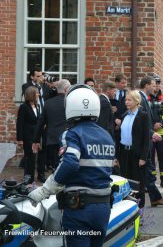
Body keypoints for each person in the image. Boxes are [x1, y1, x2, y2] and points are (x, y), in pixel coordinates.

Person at [28, 85, 115, 246]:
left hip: (80, 209)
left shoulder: (72, 133)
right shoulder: (106, 136)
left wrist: (44, 191)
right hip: (103, 207)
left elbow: (69, 164)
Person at [138, 77, 163, 206]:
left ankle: (154, 197)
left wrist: (162, 124)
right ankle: (152, 199)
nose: (155, 87)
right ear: (146, 85)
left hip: (156, 134)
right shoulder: (142, 98)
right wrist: (152, 132)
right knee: (148, 169)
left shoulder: (162, 97)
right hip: (146, 138)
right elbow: (142, 120)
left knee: (149, 168)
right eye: (153, 85)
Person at [117, 90, 150, 209]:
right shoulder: (124, 115)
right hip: (124, 153)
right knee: (126, 181)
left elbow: (147, 138)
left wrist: (143, 157)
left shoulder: (143, 115)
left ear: (137, 101)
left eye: (129, 100)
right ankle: (128, 208)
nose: (127, 102)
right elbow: (119, 135)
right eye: (126, 100)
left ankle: (139, 211)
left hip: (136, 154)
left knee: (138, 184)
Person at [33, 79, 71, 174]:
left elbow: (40, 123)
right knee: (66, 167)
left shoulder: (48, 103)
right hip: (68, 139)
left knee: (55, 167)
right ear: (66, 89)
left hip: (52, 139)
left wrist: (36, 140)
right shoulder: (70, 102)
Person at [148, 76, 163, 190]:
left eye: (158, 83)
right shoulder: (146, 97)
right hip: (150, 133)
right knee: (150, 157)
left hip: (162, 133)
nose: (157, 86)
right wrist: (151, 126)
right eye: (155, 83)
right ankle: (151, 181)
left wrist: (161, 123)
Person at [17, 86, 41, 184]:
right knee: (29, 157)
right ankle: (27, 178)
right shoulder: (24, 107)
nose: (39, 94)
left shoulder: (37, 106)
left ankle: (30, 178)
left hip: (35, 137)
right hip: (27, 136)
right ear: (32, 95)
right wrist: (20, 139)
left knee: (33, 157)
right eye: (37, 93)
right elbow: (19, 123)